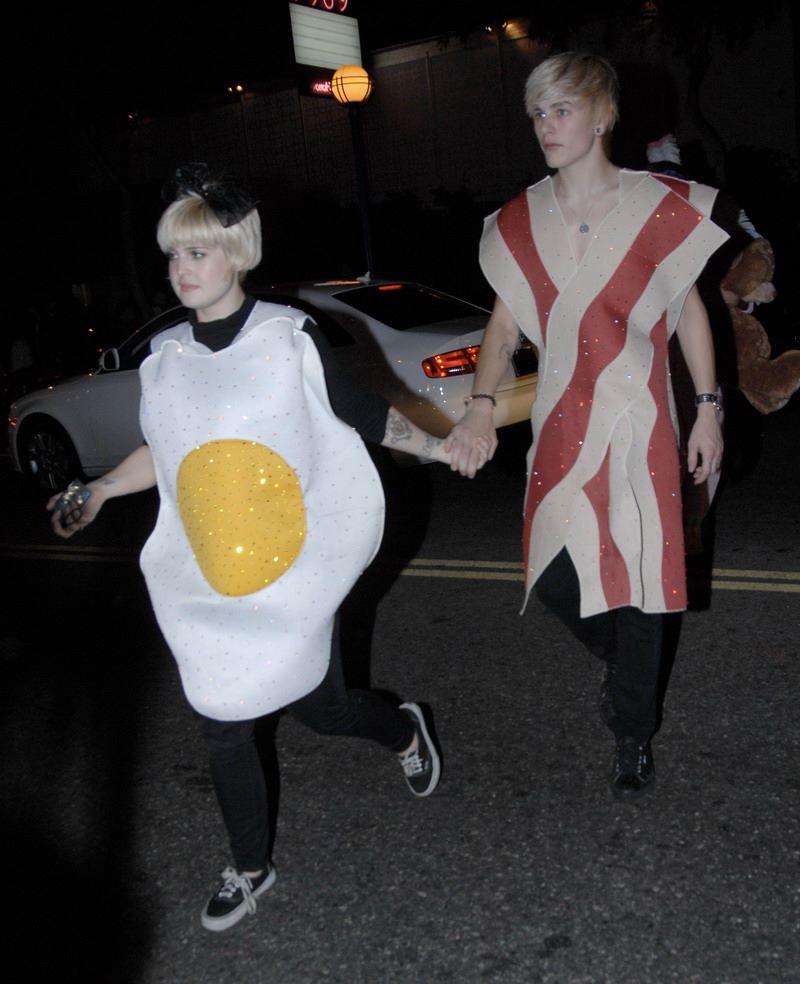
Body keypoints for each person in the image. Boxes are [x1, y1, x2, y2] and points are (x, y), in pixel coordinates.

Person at [48, 164, 444, 932]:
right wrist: (97, 490)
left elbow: (357, 409)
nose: (180, 269)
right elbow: (164, 451)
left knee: (324, 710)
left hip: (292, 568)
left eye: (197, 252)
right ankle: (252, 864)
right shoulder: (166, 357)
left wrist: (438, 444)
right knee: (222, 721)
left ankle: (402, 728)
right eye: (173, 255)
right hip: (214, 574)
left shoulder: (285, 337)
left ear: (236, 252)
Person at [446, 52, 728, 799]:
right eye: (538, 112)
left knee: (645, 579)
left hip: (644, 420)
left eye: (562, 109)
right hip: (560, 422)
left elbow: (689, 311)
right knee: (553, 577)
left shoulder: (656, 204)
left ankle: (633, 732)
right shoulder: (518, 220)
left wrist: (708, 409)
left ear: (603, 117)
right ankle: (624, 663)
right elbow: (503, 327)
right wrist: (480, 405)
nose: (547, 125)